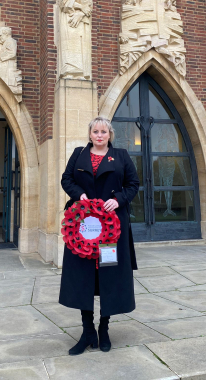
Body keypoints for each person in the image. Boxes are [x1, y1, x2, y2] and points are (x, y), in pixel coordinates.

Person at [59, 116, 140, 355]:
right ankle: (87, 331)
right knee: (84, 277)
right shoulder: (79, 153)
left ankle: (104, 329)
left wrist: (118, 200)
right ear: (90, 134)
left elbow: (133, 184)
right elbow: (67, 179)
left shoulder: (122, 156)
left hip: (111, 230)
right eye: (95, 131)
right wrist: (80, 195)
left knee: (108, 276)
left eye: (104, 131)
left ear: (110, 134)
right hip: (82, 229)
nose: (99, 135)